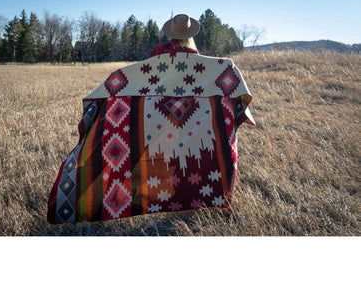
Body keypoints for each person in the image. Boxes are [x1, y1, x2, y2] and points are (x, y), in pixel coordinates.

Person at [47, 14, 255, 224]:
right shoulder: (211, 67)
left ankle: (156, 194)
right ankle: (206, 196)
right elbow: (234, 91)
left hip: (155, 123)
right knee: (192, 155)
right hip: (189, 125)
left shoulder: (156, 57)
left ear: (169, 34)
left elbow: (134, 76)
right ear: (192, 36)